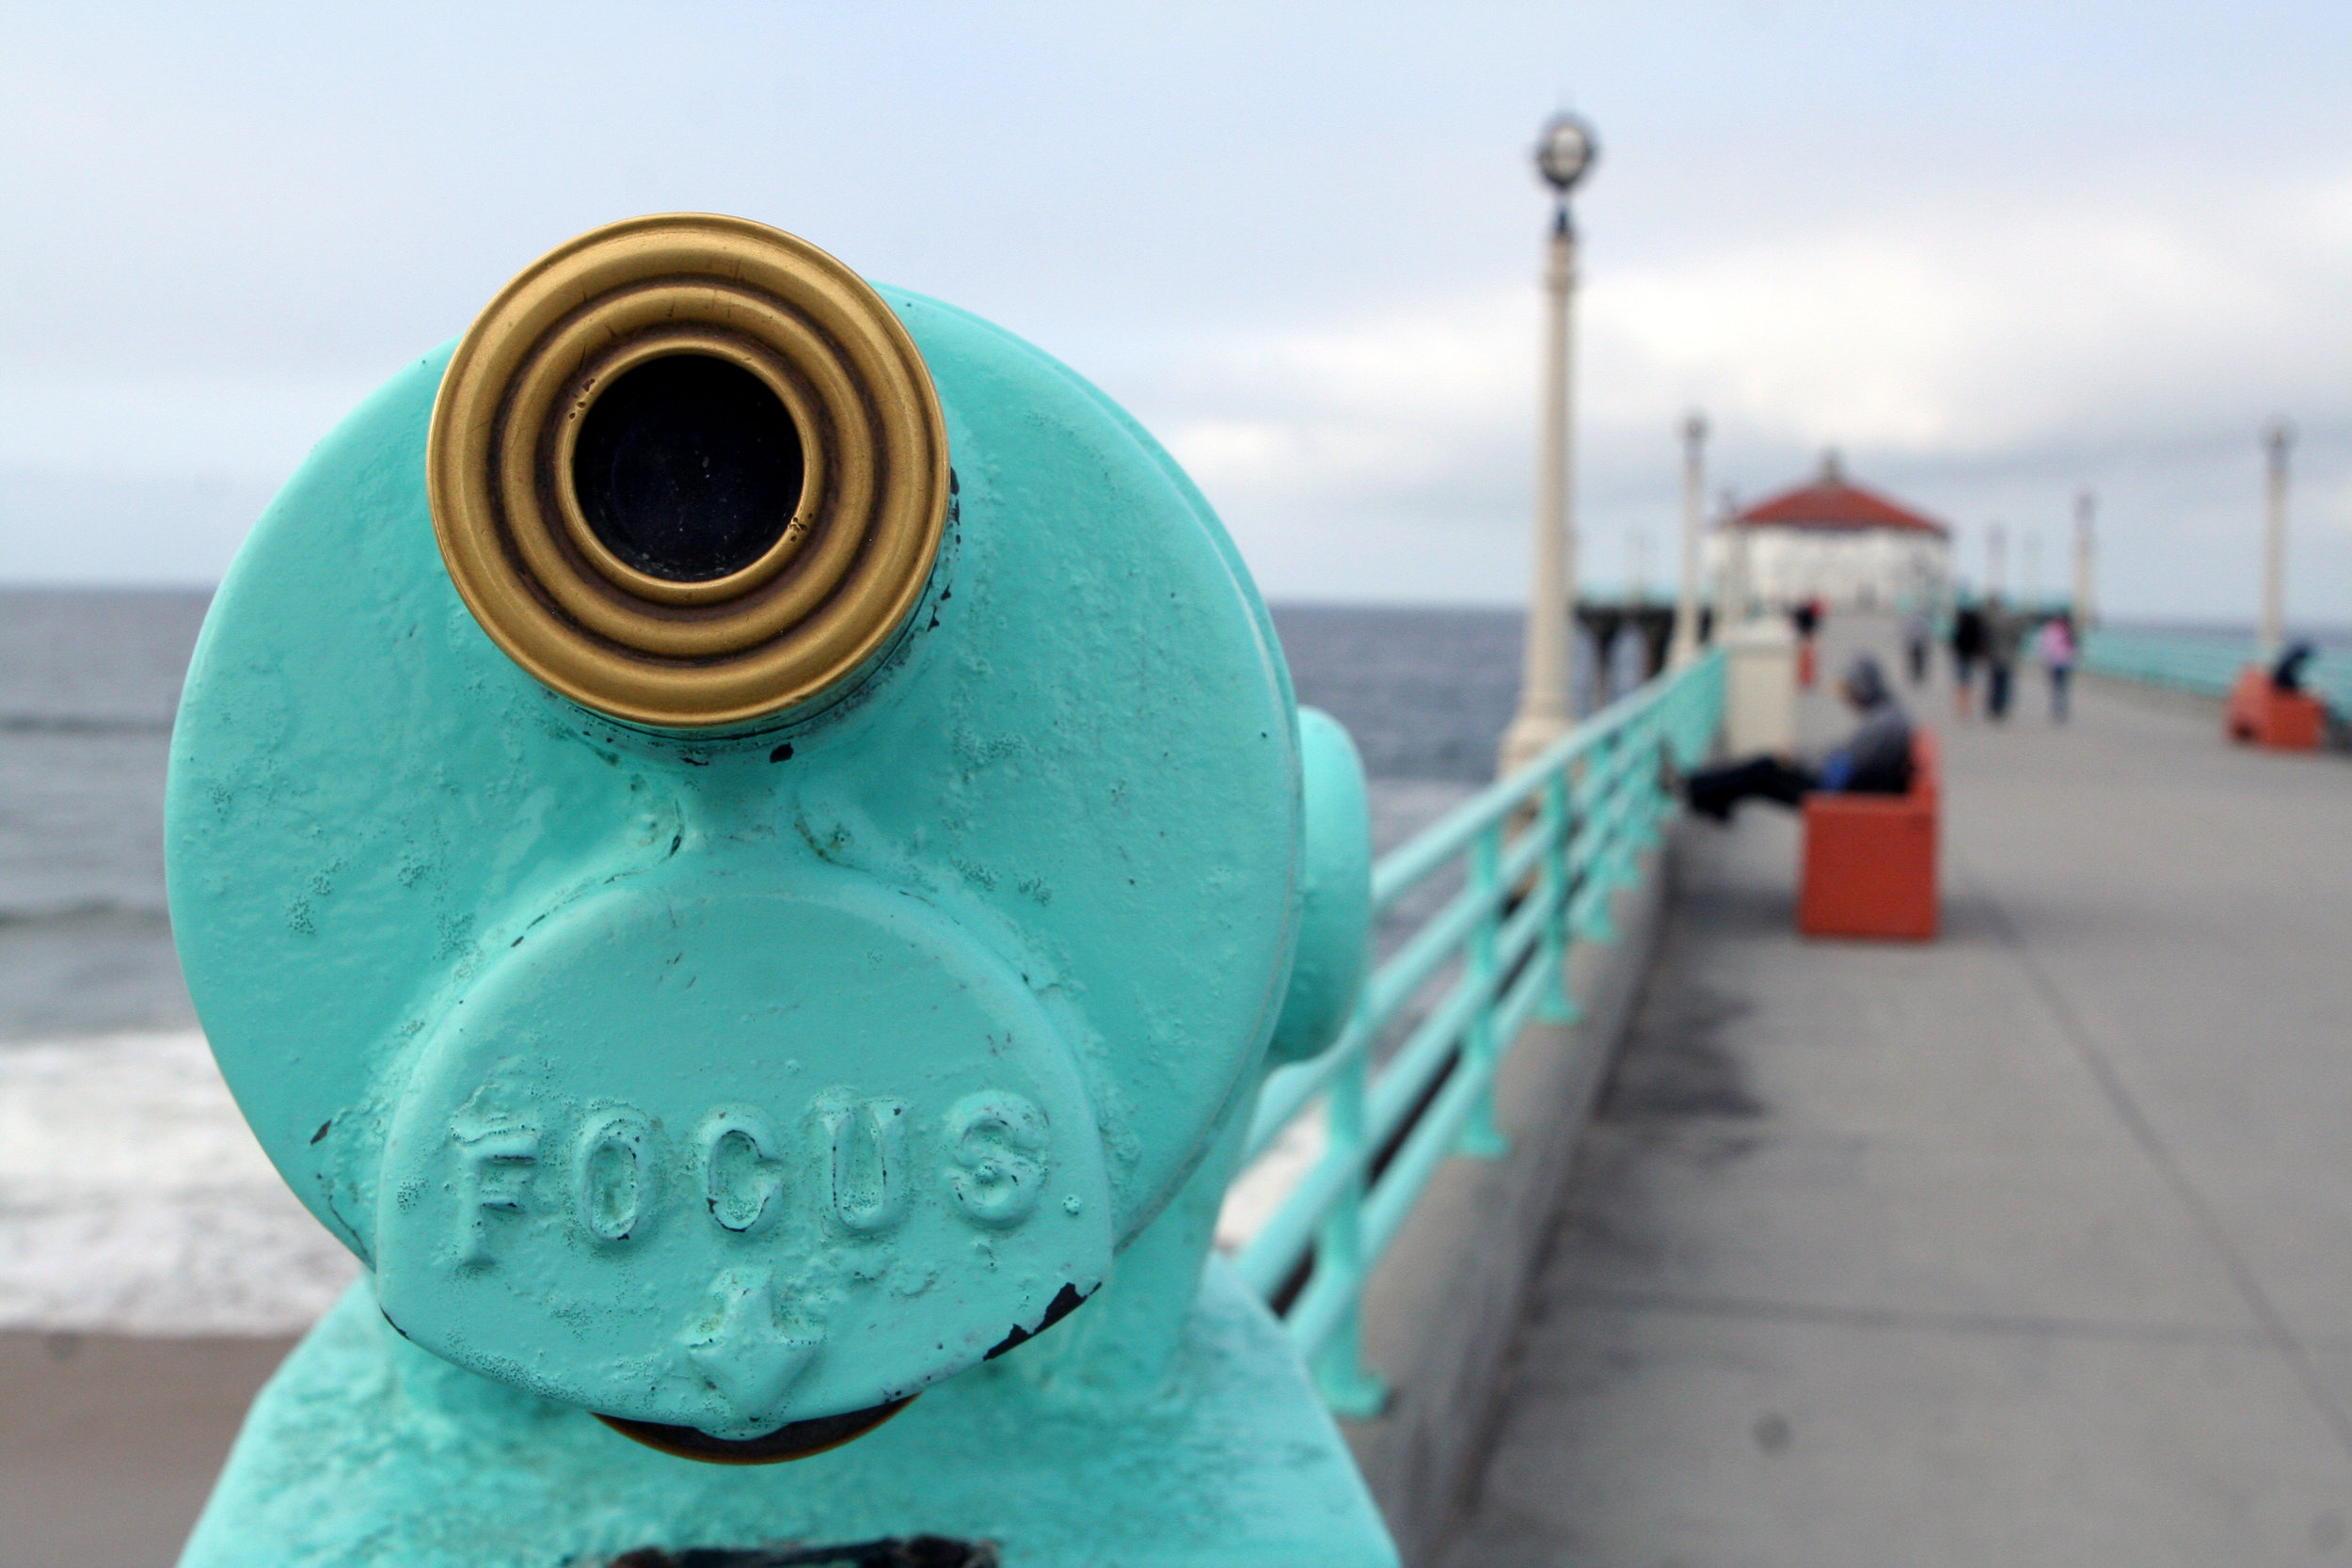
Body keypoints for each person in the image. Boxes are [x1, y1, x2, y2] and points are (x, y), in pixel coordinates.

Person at [1687, 655, 1914, 820]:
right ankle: (1710, 797)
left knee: (1765, 768)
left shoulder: (1882, 722)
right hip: (1843, 787)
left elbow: (1842, 764)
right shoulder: (1889, 715)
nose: (1849, 701)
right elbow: (1846, 759)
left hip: (1832, 794)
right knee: (1764, 770)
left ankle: (1695, 789)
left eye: (1851, 692)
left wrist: (1798, 760)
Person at [1983, 595, 2025, 722]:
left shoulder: (1992, 623)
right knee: (2004, 685)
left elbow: (1986, 640)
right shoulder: (2011, 623)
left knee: (1994, 684)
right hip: (2007, 658)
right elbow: (2018, 639)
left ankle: (1994, 707)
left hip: (1995, 658)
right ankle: (2000, 707)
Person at [1949, 600, 1986, 718]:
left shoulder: (1960, 626)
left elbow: (1954, 641)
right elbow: (1980, 641)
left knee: (1961, 683)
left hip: (1961, 656)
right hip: (1970, 656)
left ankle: (1962, 707)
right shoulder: (1976, 626)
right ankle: (1966, 707)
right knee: (1968, 683)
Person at [2037, 611, 2076, 722]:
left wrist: (2044, 659)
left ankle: (2057, 708)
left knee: (2057, 687)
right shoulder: (2067, 630)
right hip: (2063, 663)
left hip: (2057, 663)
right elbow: (2073, 648)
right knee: (2061, 687)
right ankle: (2060, 708)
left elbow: (2044, 646)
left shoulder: (2051, 630)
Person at [1902, 607, 1931, 687]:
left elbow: (1907, 634)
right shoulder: (1924, 622)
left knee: (1914, 661)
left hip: (1913, 645)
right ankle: (1918, 675)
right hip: (1919, 645)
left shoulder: (1911, 621)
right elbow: (1926, 635)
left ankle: (1915, 675)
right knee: (1919, 662)